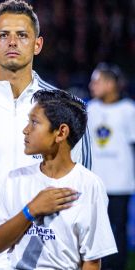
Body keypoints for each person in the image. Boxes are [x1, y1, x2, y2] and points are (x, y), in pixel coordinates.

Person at [0, 1, 92, 269]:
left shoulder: (65, 109)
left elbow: (80, 181)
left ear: (37, 44)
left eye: (22, 35)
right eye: (3, 35)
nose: (12, 42)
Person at [0, 89, 117, 269]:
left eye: (34, 122)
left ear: (60, 133)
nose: (25, 130)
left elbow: (92, 260)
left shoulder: (89, 185)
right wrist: (31, 209)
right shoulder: (16, 179)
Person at [87, 63, 135, 270]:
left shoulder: (129, 110)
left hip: (120, 182)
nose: (91, 86)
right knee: (95, 230)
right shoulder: (90, 108)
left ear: (109, 84)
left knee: (119, 229)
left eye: (96, 81)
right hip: (96, 183)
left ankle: (118, 265)